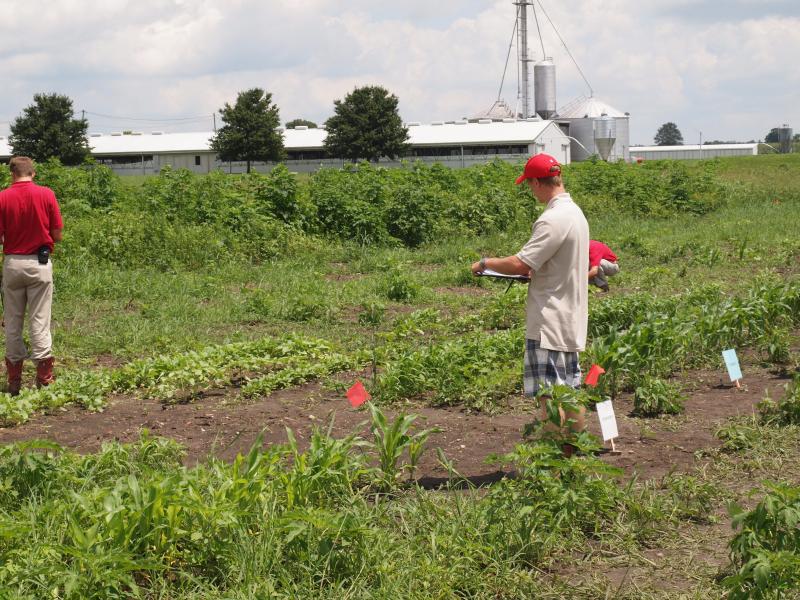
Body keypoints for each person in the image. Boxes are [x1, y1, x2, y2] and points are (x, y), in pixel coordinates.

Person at [471, 153, 589, 451]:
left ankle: (552, 460)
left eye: (530, 185)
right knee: (570, 392)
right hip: (569, 316)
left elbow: (521, 263)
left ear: (538, 182)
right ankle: (573, 452)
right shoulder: (575, 212)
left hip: (548, 321)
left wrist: (485, 263)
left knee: (549, 395)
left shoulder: (552, 218)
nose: (530, 190)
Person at [0, 156, 63, 395]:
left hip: (13, 263)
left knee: (13, 322)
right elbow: (57, 234)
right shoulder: (46, 194)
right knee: (40, 320)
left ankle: (14, 381)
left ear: (12, 174)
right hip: (40, 262)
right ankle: (44, 378)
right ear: (33, 173)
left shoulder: (3, 197)